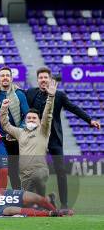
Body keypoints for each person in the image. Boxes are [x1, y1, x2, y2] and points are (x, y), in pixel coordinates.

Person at [26, 67, 101, 208]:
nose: (43, 80)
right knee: (34, 172)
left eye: (45, 77)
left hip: (54, 140)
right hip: (36, 140)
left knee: (61, 171)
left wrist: (89, 120)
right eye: (40, 78)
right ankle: (35, 202)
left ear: (50, 79)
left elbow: (73, 108)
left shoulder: (59, 95)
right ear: (37, 80)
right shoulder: (30, 93)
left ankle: (65, 204)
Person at [2, 79, 56, 196]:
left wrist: (50, 97)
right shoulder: (20, 132)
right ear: (25, 121)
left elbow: (47, 115)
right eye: (29, 118)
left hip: (40, 171)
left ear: (39, 121)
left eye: (34, 118)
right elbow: (5, 125)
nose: (31, 120)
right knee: (28, 204)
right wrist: (4, 109)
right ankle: (48, 200)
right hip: (25, 175)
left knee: (37, 177)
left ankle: (43, 197)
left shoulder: (43, 131)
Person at [0, 66, 29, 190]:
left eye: (7, 75)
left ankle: (18, 200)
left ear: (11, 78)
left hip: (12, 139)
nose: (5, 77)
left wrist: (17, 132)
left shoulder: (19, 94)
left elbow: (27, 115)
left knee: (13, 172)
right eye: (2, 75)